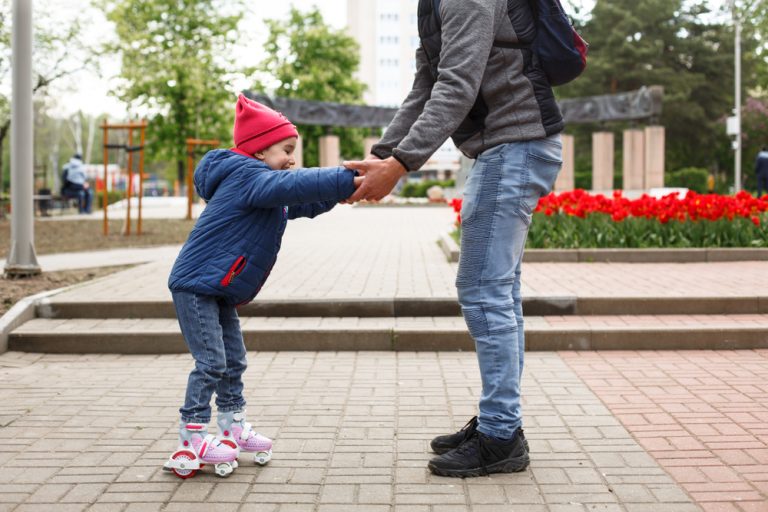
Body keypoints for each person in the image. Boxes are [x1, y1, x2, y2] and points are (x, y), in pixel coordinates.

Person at [344, 0, 564, 477]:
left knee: (483, 291)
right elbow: (426, 86)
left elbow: (457, 86)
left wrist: (400, 165)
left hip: (515, 146)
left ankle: (500, 437)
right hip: (509, 147)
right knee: (498, 292)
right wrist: (382, 156)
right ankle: (501, 423)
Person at [163, 95, 362, 479]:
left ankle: (232, 427)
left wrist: (344, 192)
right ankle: (191, 437)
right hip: (196, 285)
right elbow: (296, 183)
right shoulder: (247, 177)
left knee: (234, 360)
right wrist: (345, 176)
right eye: (286, 150)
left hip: (218, 286)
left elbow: (300, 200)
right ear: (259, 150)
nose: (291, 159)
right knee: (211, 363)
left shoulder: (262, 187)